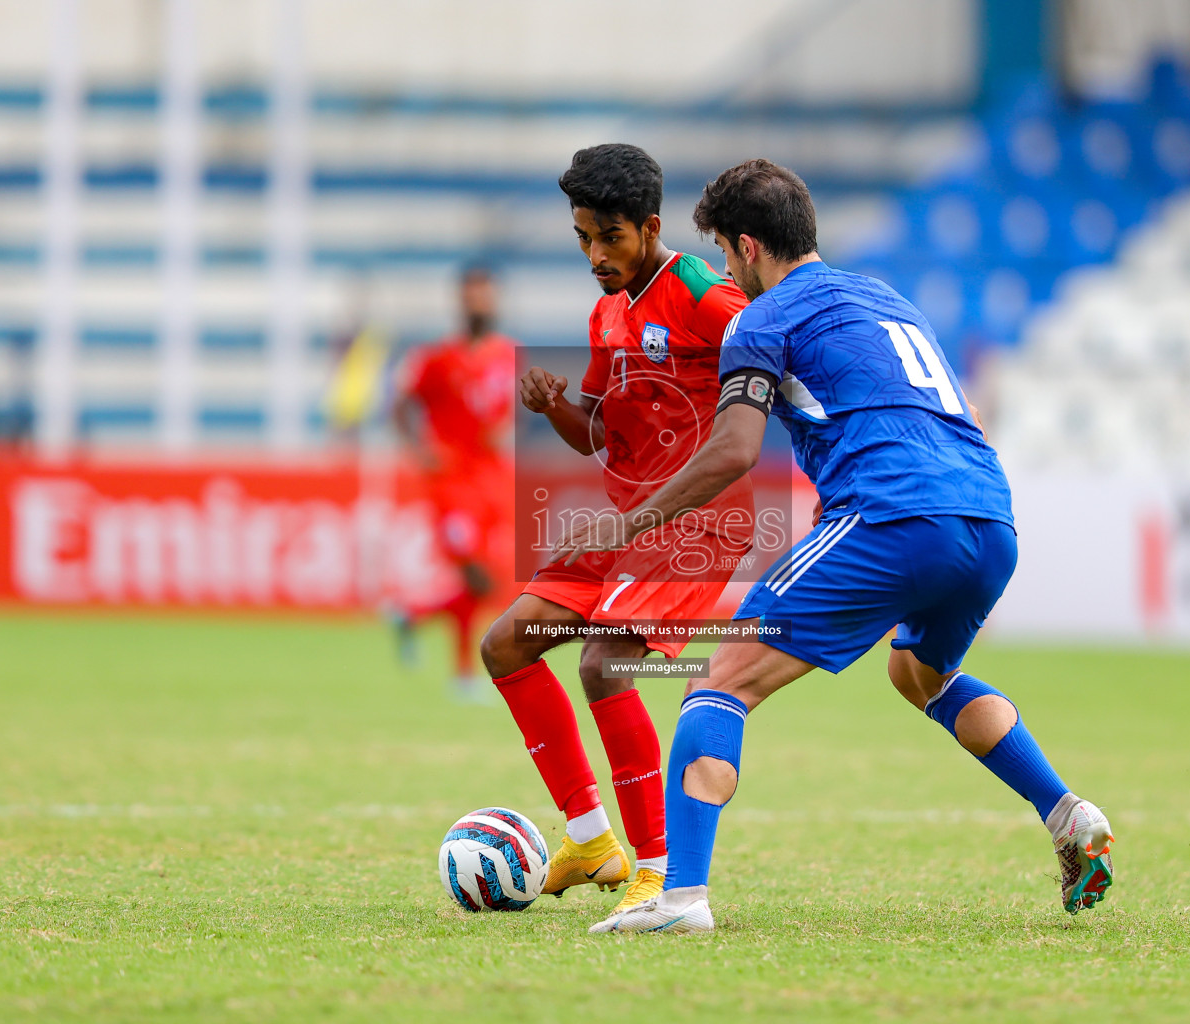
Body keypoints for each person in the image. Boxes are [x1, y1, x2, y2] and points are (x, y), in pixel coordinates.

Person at [549, 159, 1114, 935]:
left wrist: (627, 522)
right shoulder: (889, 300)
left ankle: (679, 899)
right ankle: (1066, 813)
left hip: (892, 515)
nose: (722, 272)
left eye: (722, 253)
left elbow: (733, 452)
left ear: (748, 247)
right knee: (918, 673)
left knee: (720, 675)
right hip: (989, 515)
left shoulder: (762, 318)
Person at [478, 144, 752, 914]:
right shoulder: (606, 312)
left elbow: (773, 358)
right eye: (582, 239)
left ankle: (660, 868)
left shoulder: (704, 294)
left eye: (611, 237)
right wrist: (553, 405)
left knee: (604, 665)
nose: (596, 255)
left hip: (699, 523)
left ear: (651, 226)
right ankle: (592, 837)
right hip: (626, 525)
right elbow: (597, 430)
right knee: (505, 644)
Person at [392, 264, 518, 699]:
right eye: (471, 295)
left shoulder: (508, 354)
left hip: (493, 481)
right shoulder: (438, 358)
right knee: (475, 576)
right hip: (451, 483)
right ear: (460, 301)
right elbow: (400, 403)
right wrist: (419, 449)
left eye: (485, 294)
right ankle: (463, 673)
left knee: (488, 581)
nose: (479, 302)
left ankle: (413, 615)